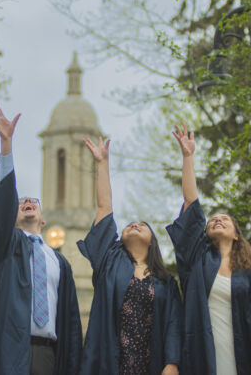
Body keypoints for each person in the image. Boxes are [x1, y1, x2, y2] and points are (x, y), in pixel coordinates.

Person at [166, 124, 251, 375]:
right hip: (203, 354)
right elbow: (191, 204)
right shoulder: (197, 260)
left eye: (225, 219)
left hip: (244, 356)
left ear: (236, 235)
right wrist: (188, 157)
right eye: (212, 220)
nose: (217, 220)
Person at [0, 103, 82, 375]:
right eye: (21, 202)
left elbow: (69, 318)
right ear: (10, 214)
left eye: (34, 201)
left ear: (43, 219)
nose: (28, 202)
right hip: (9, 349)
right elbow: (1, 205)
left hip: (47, 352)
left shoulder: (59, 262)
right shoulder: (6, 246)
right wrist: (6, 145)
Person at [77, 137, 182, 375]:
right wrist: (102, 162)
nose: (134, 225)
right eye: (130, 225)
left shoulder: (166, 283)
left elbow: (174, 324)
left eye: (142, 225)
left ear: (152, 240)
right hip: (110, 363)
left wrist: (172, 362)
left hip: (152, 365)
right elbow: (104, 208)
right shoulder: (109, 261)